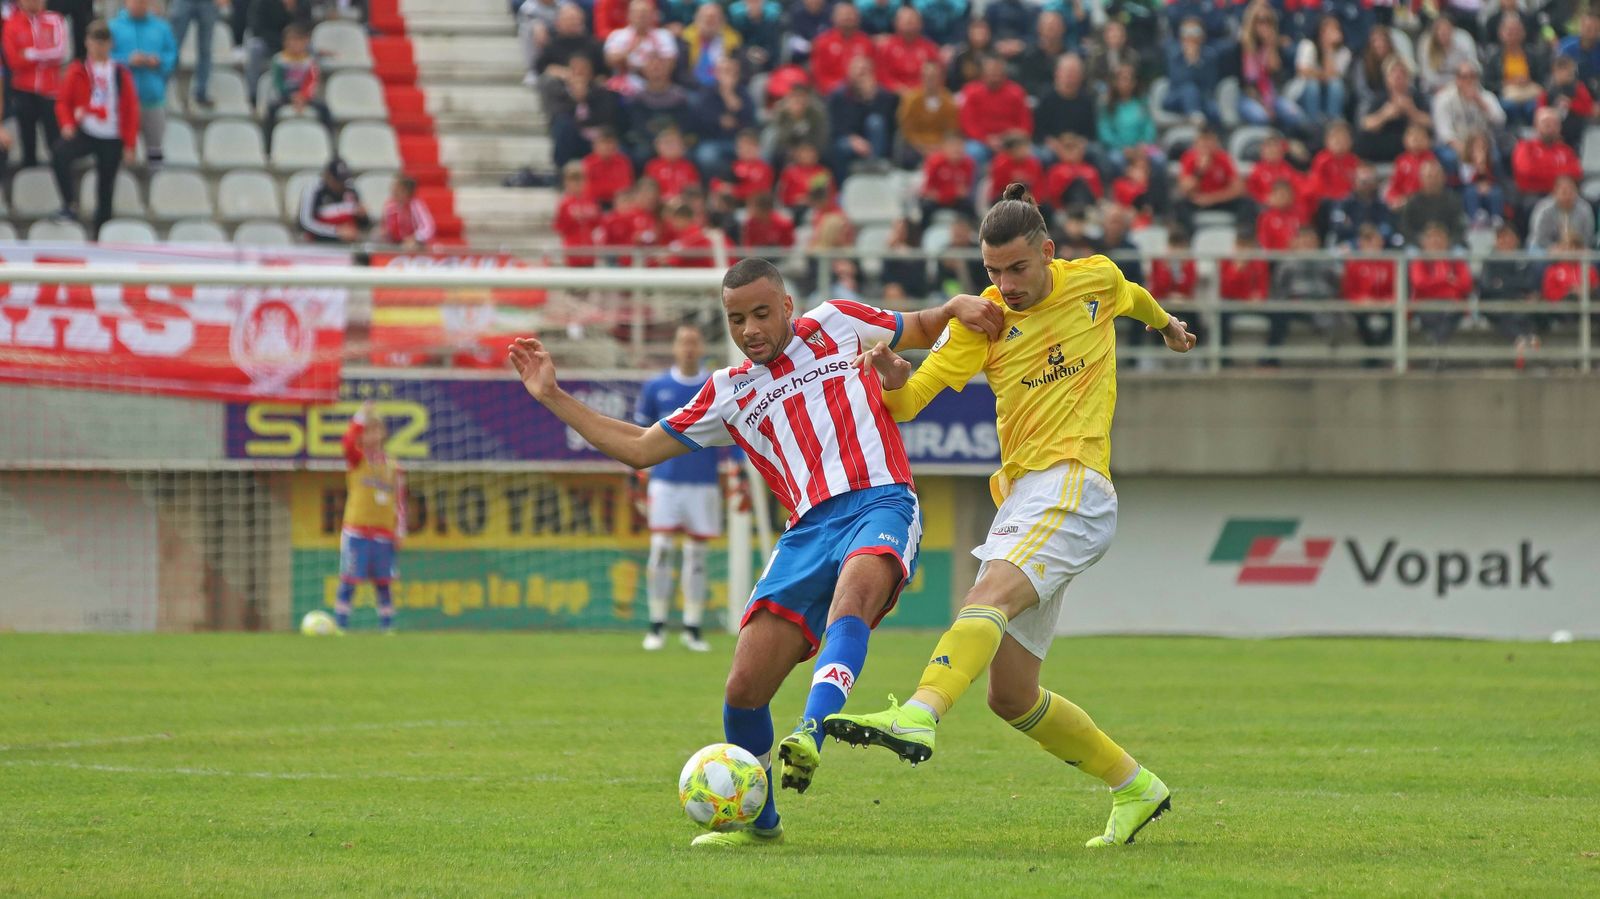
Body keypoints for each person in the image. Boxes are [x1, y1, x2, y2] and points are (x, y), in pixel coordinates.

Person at [508, 258, 1003, 848]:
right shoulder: (727, 390)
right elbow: (639, 448)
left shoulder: (838, 322)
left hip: (880, 502)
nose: (750, 329)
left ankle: (811, 734)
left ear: (789, 307)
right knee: (743, 689)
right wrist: (552, 395)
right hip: (804, 535)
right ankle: (760, 821)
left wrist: (954, 308)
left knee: (852, 601)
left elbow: (921, 324)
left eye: (761, 313)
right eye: (736, 319)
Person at [824, 183, 1193, 848]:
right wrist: (891, 375)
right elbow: (910, 405)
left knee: (985, 595)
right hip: (1027, 496)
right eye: (992, 272)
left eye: (1017, 268)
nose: (1005, 284)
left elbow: (1132, 297)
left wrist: (1166, 325)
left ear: (1049, 252)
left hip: (1075, 485)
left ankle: (920, 710)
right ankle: (1136, 786)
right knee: (1012, 694)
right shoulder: (984, 320)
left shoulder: (1096, 279)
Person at [632, 325, 729, 653]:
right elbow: (640, 435)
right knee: (660, 549)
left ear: (701, 346)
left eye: (694, 341)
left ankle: (693, 626)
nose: (688, 348)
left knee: (697, 555)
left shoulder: (714, 385)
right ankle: (657, 625)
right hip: (665, 481)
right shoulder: (656, 386)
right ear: (674, 348)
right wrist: (637, 478)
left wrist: (737, 474)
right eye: (683, 342)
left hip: (703, 482)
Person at [52, 20, 138, 233]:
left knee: (106, 187)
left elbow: (130, 109)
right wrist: (67, 124)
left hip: (112, 134)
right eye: (94, 41)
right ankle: (70, 202)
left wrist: (129, 143)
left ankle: (102, 233)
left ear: (110, 44)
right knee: (60, 153)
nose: (99, 46)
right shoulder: (78, 70)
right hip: (88, 130)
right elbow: (63, 101)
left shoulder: (119, 73)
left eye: (103, 41)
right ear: (87, 43)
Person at [336, 401, 406, 633]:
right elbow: (346, 444)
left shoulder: (394, 466)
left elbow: (400, 501)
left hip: (383, 533)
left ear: (384, 433)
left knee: (384, 582)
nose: (373, 435)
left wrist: (400, 531)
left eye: (377, 430)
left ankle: (387, 626)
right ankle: (341, 625)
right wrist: (360, 418)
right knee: (350, 579)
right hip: (357, 530)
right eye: (368, 431)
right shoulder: (357, 459)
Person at [109, 0, 175, 167]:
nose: (139, 5)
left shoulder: (161, 27)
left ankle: (157, 185)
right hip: (121, 101)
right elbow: (104, 60)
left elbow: (172, 55)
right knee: (122, 150)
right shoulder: (113, 27)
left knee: (155, 149)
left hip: (152, 98)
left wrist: (159, 61)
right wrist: (127, 60)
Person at [4, 0, 68, 169]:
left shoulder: (54, 19)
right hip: (23, 89)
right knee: (27, 139)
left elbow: (60, 52)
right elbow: (14, 61)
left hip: (50, 89)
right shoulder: (12, 24)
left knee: (55, 140)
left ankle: (60, 175)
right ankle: (29, 176)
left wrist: (31, 53)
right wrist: (43, 56)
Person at [958, 54, 1031, 167]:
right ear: (983, 74)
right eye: (991, 73)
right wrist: (986, 139)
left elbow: (1025, 124)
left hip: (1011, 141)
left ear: (1005, 74)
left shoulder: (1017, 92)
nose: (995, 77)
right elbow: (968, 123)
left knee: (1033, 155)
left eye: (998, 73)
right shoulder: (971, 92)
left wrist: (1011, 139)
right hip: (981, 141)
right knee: (972, 153)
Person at [264, 23, 332, 139]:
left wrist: (303, 96)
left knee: (324, 109)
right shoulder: (279, 60)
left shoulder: (310, 61)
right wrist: (291, 96)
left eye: (298, 41)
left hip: (304, 94)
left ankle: (329, 143)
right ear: (285, 42)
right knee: (271, 109)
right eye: (292, 40)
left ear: (305, 42)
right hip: (286, 94)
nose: (295, 44)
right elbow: (278, 82)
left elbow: (312, 81)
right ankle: (268, 144)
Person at [895, 58, 957, 167]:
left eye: (933, 76)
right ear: (922, 77)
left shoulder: (949, 101)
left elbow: (951, 129)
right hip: (917, 147)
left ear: (941, 78)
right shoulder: (911, 99)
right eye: (926, 76)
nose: (930, 79)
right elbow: (906, 128)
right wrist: (922, 148)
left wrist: (940, 147)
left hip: (941, 146)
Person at [298, 158, 371, 243]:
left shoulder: (351, 188)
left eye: (343, 179)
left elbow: (364, 224)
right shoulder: (313, 190)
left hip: (348, 244)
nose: (341, 184)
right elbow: (304, 223)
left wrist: (363, 217)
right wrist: (336, 232)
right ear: (327, 176)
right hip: (319, 244)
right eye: (337, 180)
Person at [167, 0, 222, 107]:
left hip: (208, 3)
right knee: (173, 47)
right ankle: (166, 89)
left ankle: (201, 93)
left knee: (206, 50)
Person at [1527, 175, 1594, 250]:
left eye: (1571, 191)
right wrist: (1556, 247)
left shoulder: (1585, 209)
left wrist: (1575, 244)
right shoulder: (1544, 209)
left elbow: (1588, 237)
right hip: (1543, 247)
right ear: (1555, 192)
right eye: (1564, 192)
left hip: (1576, 248)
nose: (1568, 195)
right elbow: (1539, 238)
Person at [380, 176, 436, 250]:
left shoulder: (416, 205)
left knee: (410, 246)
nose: (393, 190)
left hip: (415, 242)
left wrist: (415, 238)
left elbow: (429, 228)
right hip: (395, 242)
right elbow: (386, 227)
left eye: (397, 188)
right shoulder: (390, 206)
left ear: (406, 191)